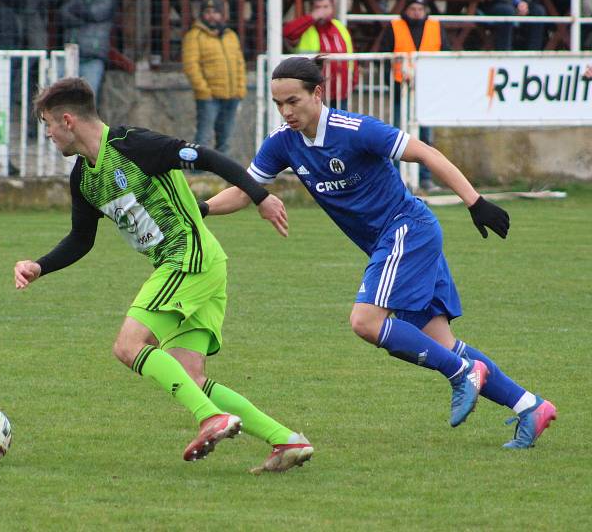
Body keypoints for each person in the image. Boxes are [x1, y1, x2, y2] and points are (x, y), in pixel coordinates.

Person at [203, 56, 557, 450]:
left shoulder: (355, 130)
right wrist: (199, 210)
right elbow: (244, 189)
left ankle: (462, 372)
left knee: (366, 321)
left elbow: (426, 154)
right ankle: (531, 406)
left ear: (317, 93)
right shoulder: (283, 143)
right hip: (395, 243)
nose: (286, 112)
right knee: (440, 343)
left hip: (407, 229)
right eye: (279, 104)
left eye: (293, 101)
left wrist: (475, 202)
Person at [13, 77, 313, 473]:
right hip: (202, 265)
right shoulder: (84, 177)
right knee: (190, 376)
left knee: (128, 346)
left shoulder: (134, 147)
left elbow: (208, 157)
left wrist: (260, 196)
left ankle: (211, 418)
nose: (48, 134)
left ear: (67, 120)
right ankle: (286, 440)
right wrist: (41, 265)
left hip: (187, 258)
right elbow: (81, 239)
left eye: (48, 124)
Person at [379, 0, 449, 192]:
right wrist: (389, 82)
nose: (417, 12)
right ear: (406, 10)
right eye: (413, 8)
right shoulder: (394, 26)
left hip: (428, 89)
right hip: (400, 86)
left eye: (420, 8)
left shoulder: (436, 26)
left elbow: (447, 53)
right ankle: (397, 179)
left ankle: (425, 178)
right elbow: (384, 56)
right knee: (398, 136)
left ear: (426, 10)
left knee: (426, 136)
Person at [181, 0, 247, 156]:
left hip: (232, 95)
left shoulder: (231, 35)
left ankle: (223, 174)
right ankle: (197, 172)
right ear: (202, 15)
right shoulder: (194, 36)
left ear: (223, 15)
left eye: (216, 12)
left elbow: (239, 63)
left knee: (226, 137)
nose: (211, 16)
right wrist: (203, 90)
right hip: (209, 97)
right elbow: (191, 66)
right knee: (204, 137)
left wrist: (240, 89)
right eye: (207, 12)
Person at [282, 0, 356, 110]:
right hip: (314, 92)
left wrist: (353, 80)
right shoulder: (305, 27)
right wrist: (312, 17)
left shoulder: (339, 26)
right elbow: (288, 32)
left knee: (338, 126)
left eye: (326, 7)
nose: (323, 11)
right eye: (318, 7)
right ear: (312, 10)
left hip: (340, 90)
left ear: (332, 8)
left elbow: (351, 54)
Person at [59, 0, 116, 103]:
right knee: (60, 98)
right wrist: (82, 18)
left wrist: (77, 11)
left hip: (93, 57)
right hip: (72, 55)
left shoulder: (108, 0)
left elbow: (93, 14)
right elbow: (63, 14)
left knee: (88, 101)